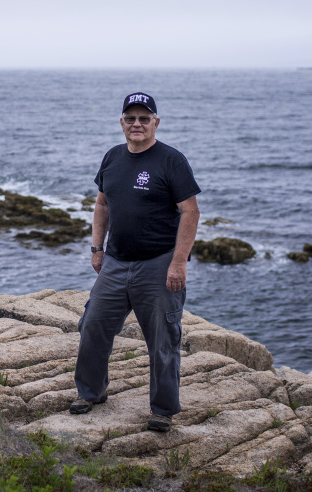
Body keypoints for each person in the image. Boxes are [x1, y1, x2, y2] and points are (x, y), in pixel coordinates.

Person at [70, 92, 201, 432]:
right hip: (115, 262)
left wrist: (179, 262)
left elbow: (190, 211)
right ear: (122, 123)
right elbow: (102, 204)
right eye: (131, 118)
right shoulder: (112, 157)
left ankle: (162, 409)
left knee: (162, 340)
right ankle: (91, 392)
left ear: (156, 122)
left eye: (144, 118)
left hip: (158, 265)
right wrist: (97, 247)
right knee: (92, 326)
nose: (137, 124)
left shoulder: (171, 160)